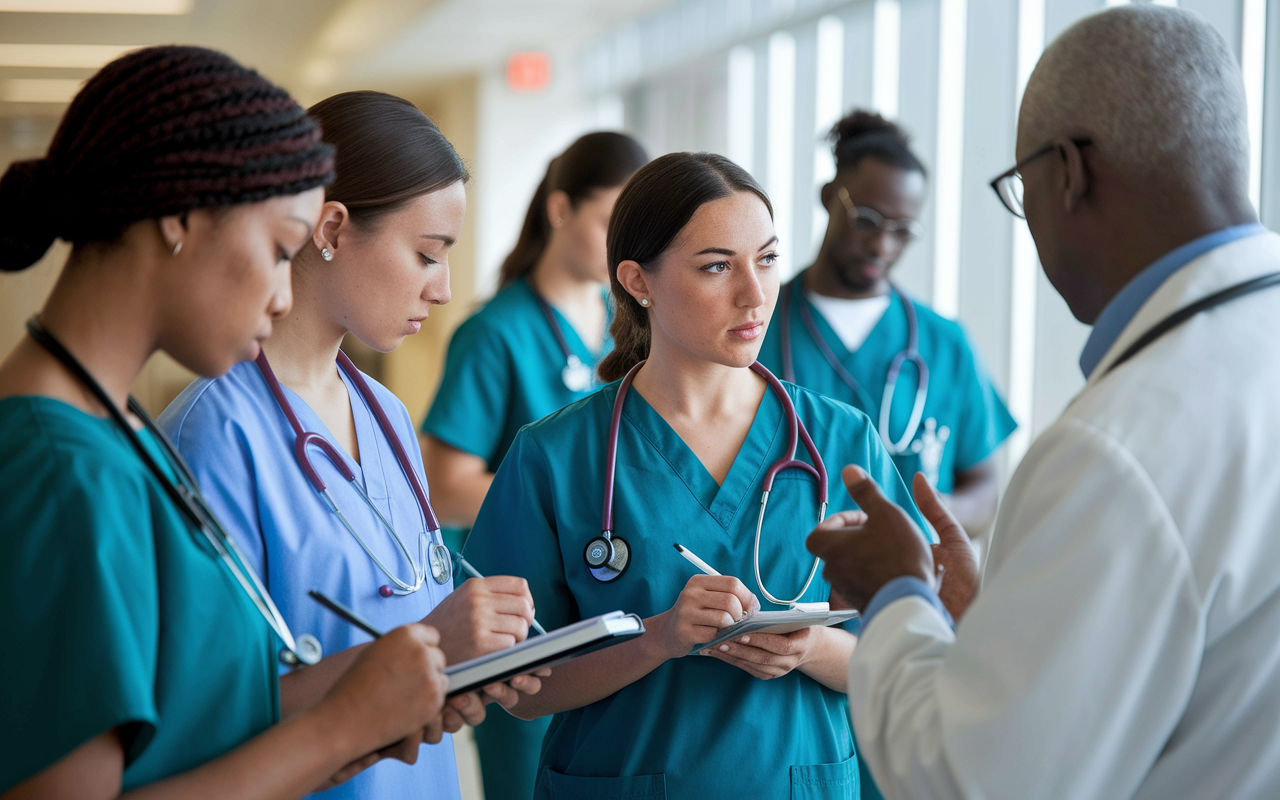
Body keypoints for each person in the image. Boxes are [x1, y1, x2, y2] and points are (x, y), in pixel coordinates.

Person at [807, 6, 1280, 799]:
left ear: (1068, 172)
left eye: (1018, 190)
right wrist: (997, 620)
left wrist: (897, 594)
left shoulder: (1117, 449)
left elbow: (970, 776)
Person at [0, 47, 457, 799]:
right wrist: (341, 730)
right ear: (178, 218)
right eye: (280, 249)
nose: (285, 295)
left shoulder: (121, 438)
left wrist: (378, 689)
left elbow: (195, 719)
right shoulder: (62, 468)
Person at [463, 151, 930, 799]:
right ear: (637, 281)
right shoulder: (555, 455)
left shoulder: (842, 442)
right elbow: (519, 691)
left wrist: (811, 650)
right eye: (717, 266)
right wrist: (655, 639)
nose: (755, 293)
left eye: (766, 259)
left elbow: (915, 660)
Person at [156, 90, 542, 800]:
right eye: (428, 254)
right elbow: (203, 714)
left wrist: (461, 671)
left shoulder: (388, 415)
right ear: (331, 226)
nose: (445, 288)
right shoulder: (212, 435)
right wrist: (429, 644)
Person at [418, 131, 647, 800]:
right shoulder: (495, 333)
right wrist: (573, 505)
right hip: (527, 630)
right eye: (609, 221)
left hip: (613, 619)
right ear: (559, 211)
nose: (620, 245)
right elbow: (444, 487)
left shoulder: (627, 322)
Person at [758, 112, 1015, 535]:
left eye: (902, 230)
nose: (881, 244)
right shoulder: (756, 328)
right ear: (827, 196)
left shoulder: (946, 344)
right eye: (866, 220)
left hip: (913, 589)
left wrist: (917, 516)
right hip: (784, 588)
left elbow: (984, 489)